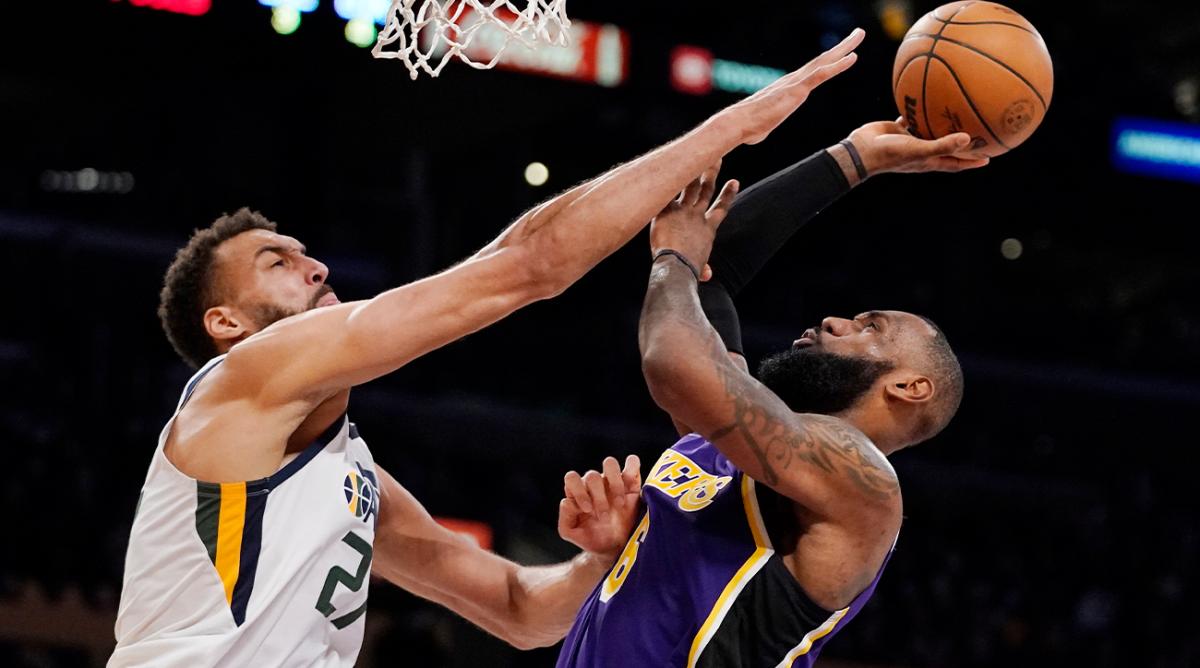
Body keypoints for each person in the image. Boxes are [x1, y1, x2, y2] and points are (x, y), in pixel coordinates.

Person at [109, 29, 872, 667]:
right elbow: (529, 267)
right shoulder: (244, 374)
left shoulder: (350, 473)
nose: (315, 266)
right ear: (226, 325)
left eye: (305, 252)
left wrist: (599, 560)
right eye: (276, 262)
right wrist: (729, 128)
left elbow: (517, 610)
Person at [556, 115, 988, 667]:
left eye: (869, 327)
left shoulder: (865, 483)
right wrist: (853, 159)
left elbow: (673, 356)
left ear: (910, 387)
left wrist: (673, 259)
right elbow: (716, 267)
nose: (834, 321)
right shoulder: (732, 439)